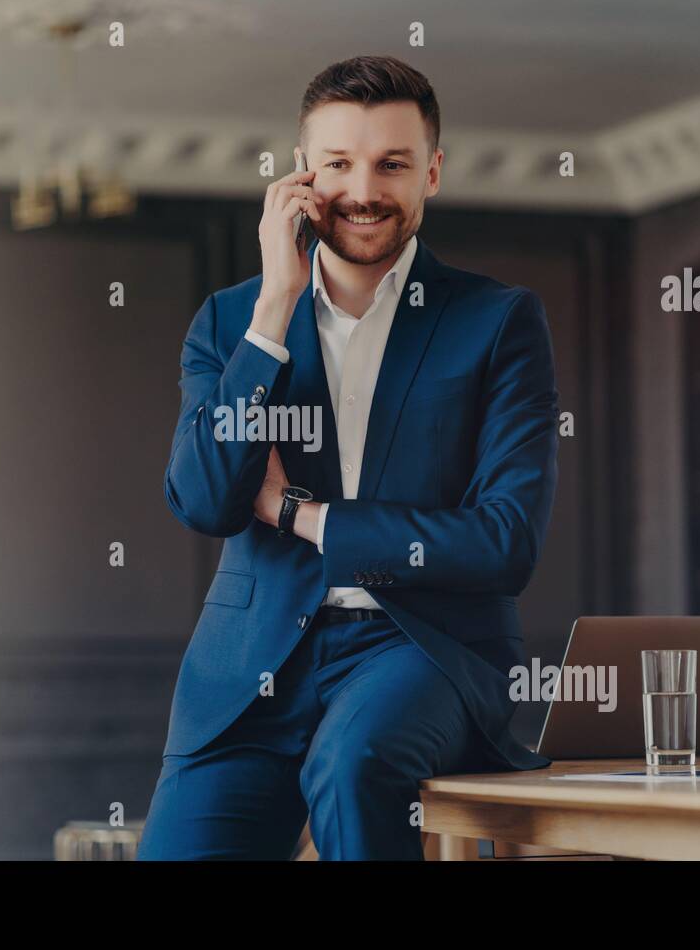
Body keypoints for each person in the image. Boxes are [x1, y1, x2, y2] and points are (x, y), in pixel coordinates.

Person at [138, 55, 559, 860]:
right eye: (338, 163)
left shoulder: (499, 322)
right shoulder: (232, 321)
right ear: (302, 175)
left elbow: (506, 542)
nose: (363, 189)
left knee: (355, 764)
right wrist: (272, 310)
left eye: (392, 163)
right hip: (249, 667)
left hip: (419, 652)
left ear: (431, 172)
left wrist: (303, 514)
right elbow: (204, 501)